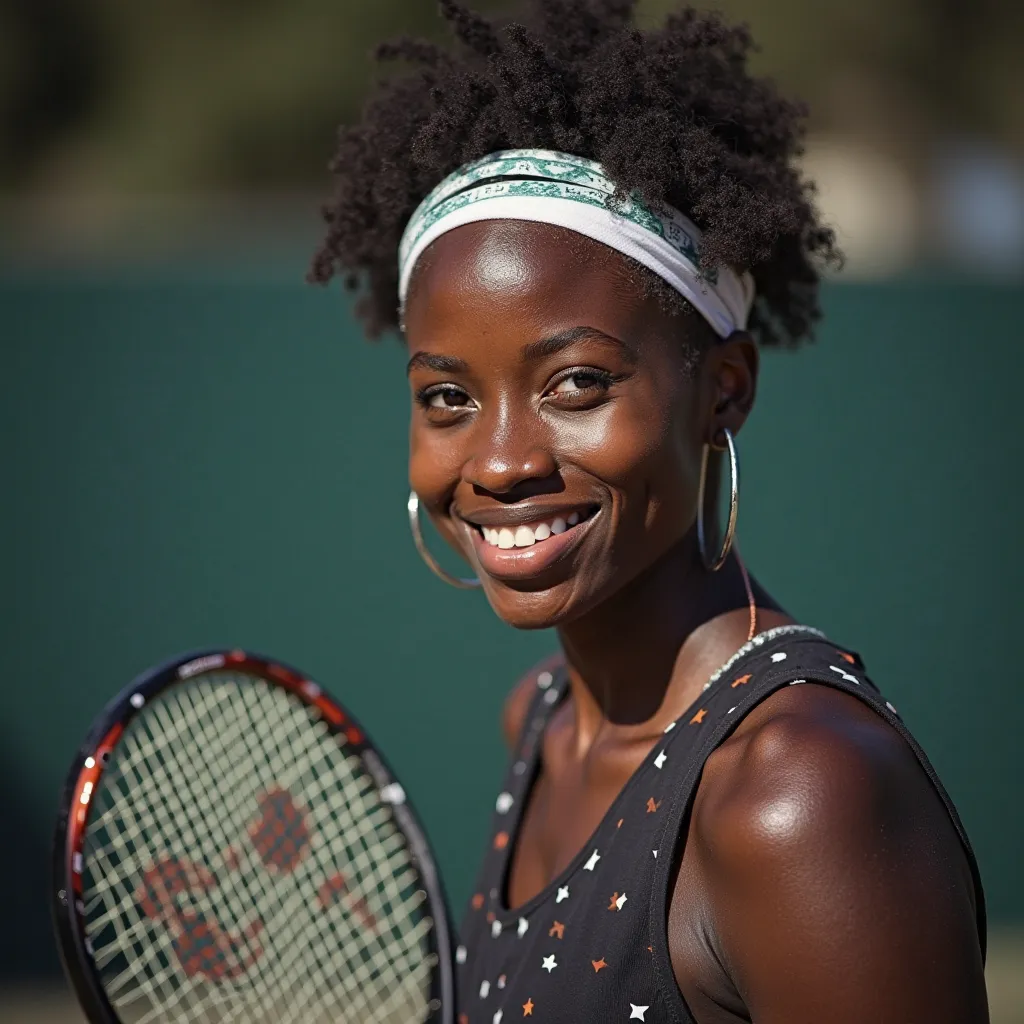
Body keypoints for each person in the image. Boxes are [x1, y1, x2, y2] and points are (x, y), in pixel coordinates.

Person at [310, 2, 988, 1020]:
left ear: (724, 387)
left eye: (577, 382)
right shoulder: (538, 720)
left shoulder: (797, 795)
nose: (497, 462)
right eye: (447, 397)